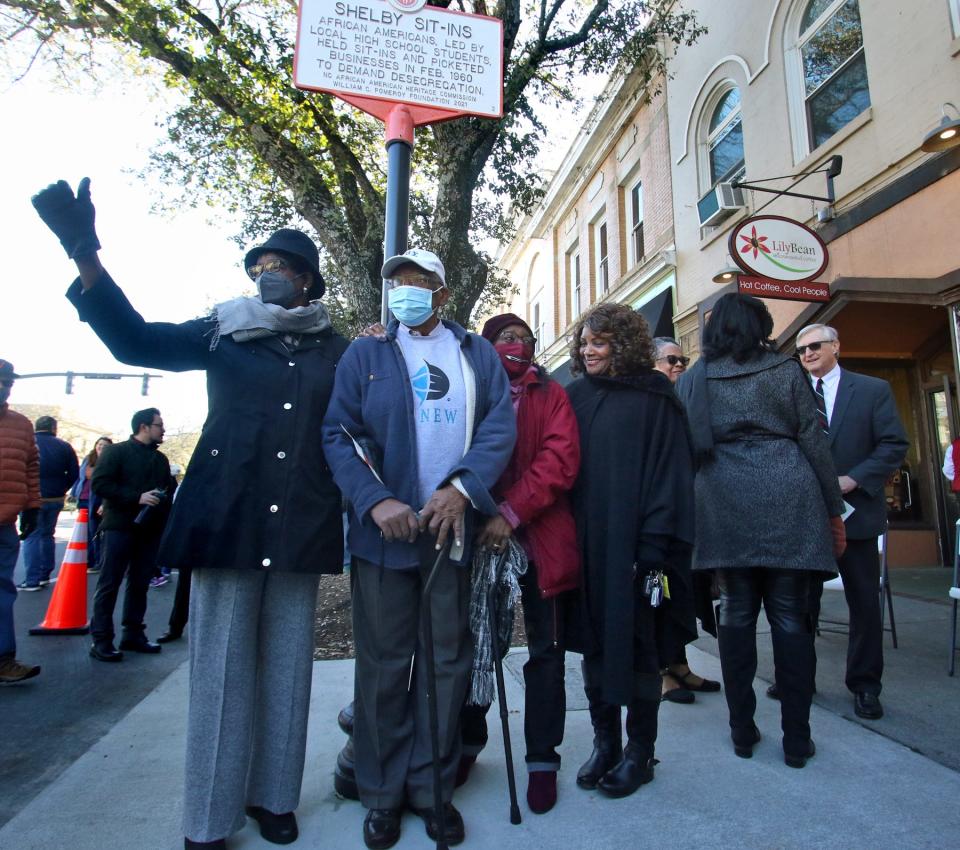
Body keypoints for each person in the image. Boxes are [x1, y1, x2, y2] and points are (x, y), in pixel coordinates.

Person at [32, 177, 348, 850]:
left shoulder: (338, 349)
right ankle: (209, 816)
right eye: (259, 267)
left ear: (309, 282)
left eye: (283, 268)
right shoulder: (220, 332)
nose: (268, 277)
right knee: (223, 670)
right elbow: (135, 342)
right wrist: (85, 252)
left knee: (288, 667)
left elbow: (361, 417)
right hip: (225, 516)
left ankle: (274, 797)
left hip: (300, 521)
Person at [323, 248, 515, 850]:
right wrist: (376, 501)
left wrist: (460, 493)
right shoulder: (368, 352)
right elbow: (339, 432)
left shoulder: (476, 353)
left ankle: (431, 790)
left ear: (441, 290)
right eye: (397, 281)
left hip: (448, 535)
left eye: (418, 281)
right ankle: (380, 796)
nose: (405, 289)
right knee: (381, 667)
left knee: (445, 664)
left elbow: (498, 428)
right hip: (385, 539)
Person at [676, 294, 846, 769]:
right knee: (792, 619)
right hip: (788, 493)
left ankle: (742, 730)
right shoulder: (785, 370)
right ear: (760, 325)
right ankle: (796, 739)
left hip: (723, 498)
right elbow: (812, 439)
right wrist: (834, 511)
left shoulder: (696, 379)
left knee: (734, 614)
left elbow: (686, 447)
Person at [565, 304, 697, 799]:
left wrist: (654, 547)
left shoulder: (656, 396)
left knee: (641, 646)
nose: (587, 350)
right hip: (586, 545)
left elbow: (671, 475)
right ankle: (605, 744)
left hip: (640, 550)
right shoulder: (574, 396)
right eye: (584, 342)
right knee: (595, 643)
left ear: (622, 343)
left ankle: (640, 751)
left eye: (598, 342)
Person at [456, 312, 580, 815]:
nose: (517, 345)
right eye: (506, 338)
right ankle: (467, 742)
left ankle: (542, 760)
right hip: (479, 537)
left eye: (525, 339)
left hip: (541, 538)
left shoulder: (552, 395)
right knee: (477, 644)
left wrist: (512, 512)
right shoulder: (469, 390)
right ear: (487, 346)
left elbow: (560, 459)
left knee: (546, 653)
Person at [794, 323, 908, 721]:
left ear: (836, 346)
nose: (807, 354)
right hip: (806, 520)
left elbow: (894, 444)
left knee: (863, 605)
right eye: (801, 350)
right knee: (799, 605)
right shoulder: (793, 394)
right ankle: (798, 681)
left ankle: (864, 686)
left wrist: (854, 478)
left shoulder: (872, 390)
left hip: (857, 514)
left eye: (814, 346)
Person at [652, 337, 720, 705]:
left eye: (683, 359)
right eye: (671, 360)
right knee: (656, 595)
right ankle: (660, 672)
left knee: (683, 593)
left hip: (688, 514)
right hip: (659, 515)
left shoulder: (685, 400)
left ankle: (679, 664)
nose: (679, 365)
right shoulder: (651, 401)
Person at [88, 407, 172, 661]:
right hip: (119, 527)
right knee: (110, 583)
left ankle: (133, 634)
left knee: (139, 583)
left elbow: (165, 488)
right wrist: (137, 497)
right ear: (144, 426)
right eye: (159, 425)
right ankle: (101, 640)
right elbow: (100, 484)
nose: (163, 430)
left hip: (148, 530)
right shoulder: (117, 452)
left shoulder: (160, 460)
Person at [0, 359, 42, 684]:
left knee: (3, 591)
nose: (4, 386)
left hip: (5, 522)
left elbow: (30, 467)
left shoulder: (21, 425)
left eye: (8, 381)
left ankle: (3, 660)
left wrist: (32, 506)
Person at [19, 415, 78, 590]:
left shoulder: (28, 443)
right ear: (53, 428)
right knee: (47, 535)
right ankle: (45, 574)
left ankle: (32, 579)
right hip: (55, 498)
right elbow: (74, 474)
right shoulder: (65, 446)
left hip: (32, 497)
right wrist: (61, 488)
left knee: (31, 536)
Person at [69, 436, 112, 575]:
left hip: (97, 502)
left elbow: (110, 483)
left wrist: (105, 504)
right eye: (99, 444)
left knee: (96, 532)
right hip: (83, 499)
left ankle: (100, 562)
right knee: (85, 532)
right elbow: (79, 478)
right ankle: (89, 560)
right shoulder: (88, 459)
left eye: (105, 445)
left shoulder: (110, 461)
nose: (101, 447)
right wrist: (73, 492)